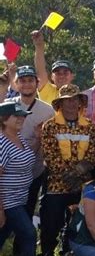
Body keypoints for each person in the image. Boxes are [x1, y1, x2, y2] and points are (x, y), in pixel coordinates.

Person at [40, 84, 95, 256]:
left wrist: (78, 174)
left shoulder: (89, 126)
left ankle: (70, 255)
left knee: (77, 223)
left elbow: (92, 154)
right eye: (67, 100)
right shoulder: (50, 126)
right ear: (60, 104)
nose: (71, 103)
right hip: (56, 184)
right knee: (51, 222)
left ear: (80, 102)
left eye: (75, 99)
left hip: (81, 185)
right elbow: (50, 155)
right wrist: (68, 175)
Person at [10, 66, 54, 219]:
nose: (27, 84)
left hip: (34, 170)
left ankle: (22, 241)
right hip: (8, 171)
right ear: (16, 84)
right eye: (22, 81)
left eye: (30, 80)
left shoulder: (48, 111)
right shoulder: (7, 106)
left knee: (28, 209)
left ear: (37, 83)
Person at [0, 101, 37, 256]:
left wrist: (39, 139)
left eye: (23, 116)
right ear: (4, 119)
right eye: (17, 116)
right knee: (29, 233)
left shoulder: (19, 136)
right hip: (8, 200)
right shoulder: (2, 143)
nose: (21, 119)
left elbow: (26, 157)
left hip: (20, 198)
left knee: (2, 234)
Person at [31, 29, 75, 104]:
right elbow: (40, 70)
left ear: (72, 76)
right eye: (58, 73)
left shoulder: (78, 95)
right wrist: (39, 46)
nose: (61, 76)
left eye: (65, 73)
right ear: (52, 77)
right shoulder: (48, 91)